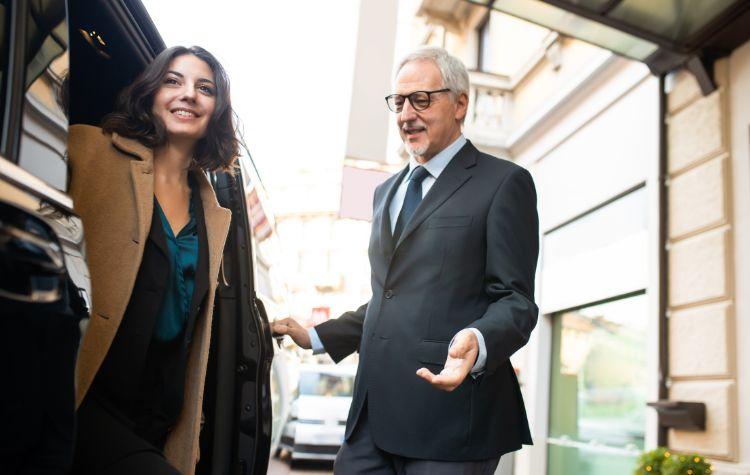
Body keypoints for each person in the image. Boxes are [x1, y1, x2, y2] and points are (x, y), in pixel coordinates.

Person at [273, 46, 539, 474]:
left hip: (450, 426)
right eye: (398, 102)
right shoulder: (385, 192)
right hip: (370, 421)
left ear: (460, 103)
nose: (406, 114)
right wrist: (318, 336)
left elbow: (516, 301)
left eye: (422, 99)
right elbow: (390, 297)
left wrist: (478, 338)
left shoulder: (504, 183)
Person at [67, 46, 237, 474]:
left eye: (205, 88)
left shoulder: (213, 213)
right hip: (87, 393)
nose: (188, 95)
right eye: (173, 81)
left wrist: (192, 432)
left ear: (216, 110)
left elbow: (189, 317)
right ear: (151, 92)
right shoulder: (90, 151)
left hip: (158, 417)